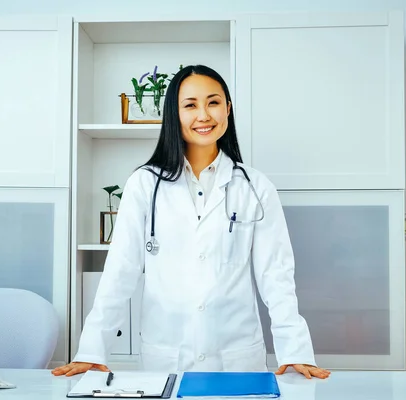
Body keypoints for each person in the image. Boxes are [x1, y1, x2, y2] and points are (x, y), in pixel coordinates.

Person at [52, 65, 330, 380]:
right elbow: (120, 270)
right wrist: (92, 350)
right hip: (167, 356)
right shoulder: (144, 183)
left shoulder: (255, 186)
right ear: (175, 113)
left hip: (237, 358)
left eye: (213, 102)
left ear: (228, 108)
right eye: (190, 105)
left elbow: (275, 275)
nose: (203, 115)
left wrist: (295, 351)